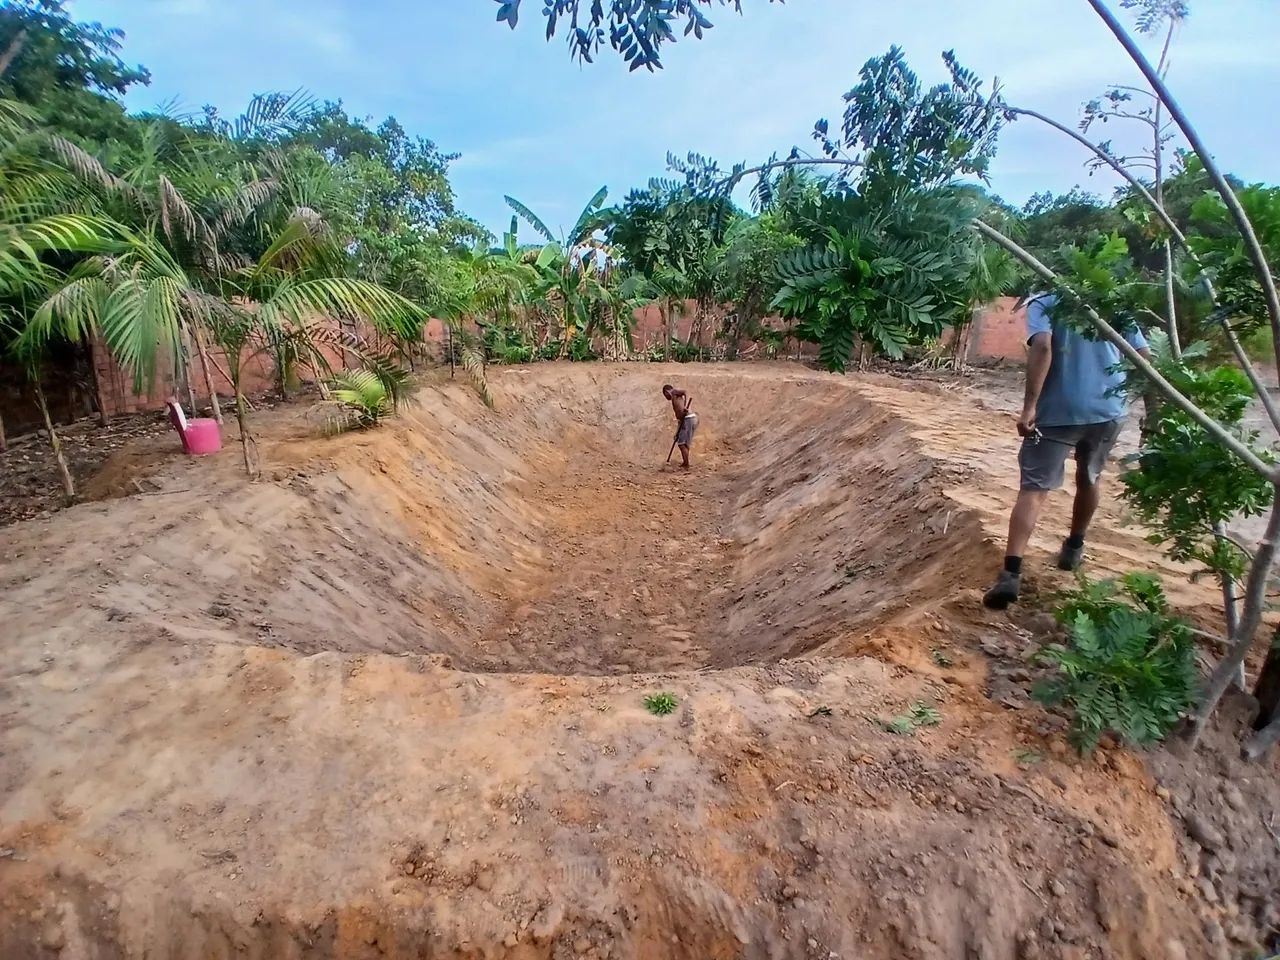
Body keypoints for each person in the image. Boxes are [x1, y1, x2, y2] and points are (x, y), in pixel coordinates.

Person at [983, 293, 1150, 610]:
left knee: (1033, 489)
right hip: (1108, 410)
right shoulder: (1113, 299)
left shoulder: (1045, 301)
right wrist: (1141, 406)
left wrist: (1029, 406)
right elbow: (1143, 355)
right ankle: (1074, 548)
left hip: (1059, 411)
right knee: (1091, 476)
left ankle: (1011, 574)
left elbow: (1043, 346)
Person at [662, 384, 698, 468]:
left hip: (688, 419)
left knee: (682, 444)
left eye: (665, 395)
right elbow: (680, 419)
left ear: (666, 392)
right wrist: (677, 432)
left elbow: (685, 392)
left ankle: (686, 464)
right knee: (684, 444)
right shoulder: (674, 398)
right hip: (685, 420)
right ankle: (685, 463)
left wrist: (685, 406)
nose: (666, 397)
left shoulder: (674, 392)